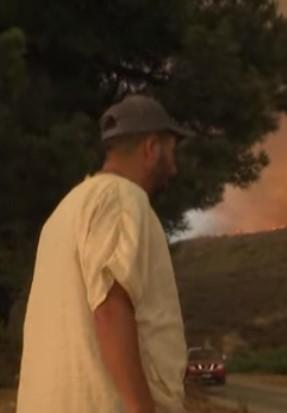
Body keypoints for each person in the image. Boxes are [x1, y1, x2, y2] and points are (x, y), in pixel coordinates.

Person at [17, 95, 192, 413]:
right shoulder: (122, 198)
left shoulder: (67, 209)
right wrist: (141, 409)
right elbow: (110, 309)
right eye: (171, 151)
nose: (175, 167)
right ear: (151, 148)